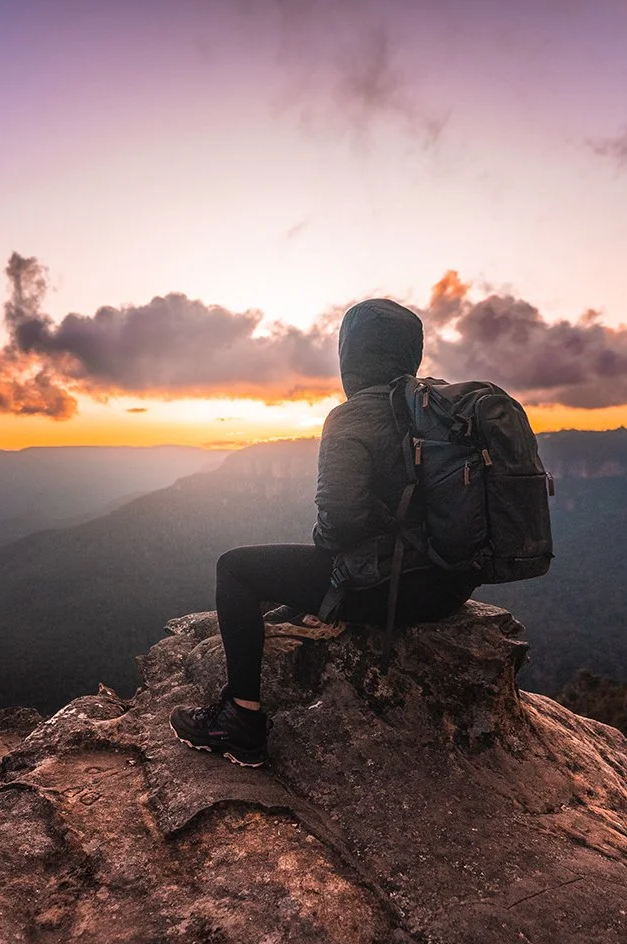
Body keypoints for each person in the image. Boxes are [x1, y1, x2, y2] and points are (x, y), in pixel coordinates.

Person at [170, 298, 481, 767]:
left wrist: (321, 572)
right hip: (451, 585)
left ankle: (240, 720)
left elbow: (339, 523)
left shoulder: (353, 416)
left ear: (350, 353)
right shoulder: (439, 407)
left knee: (234, 569)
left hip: (398, 590)